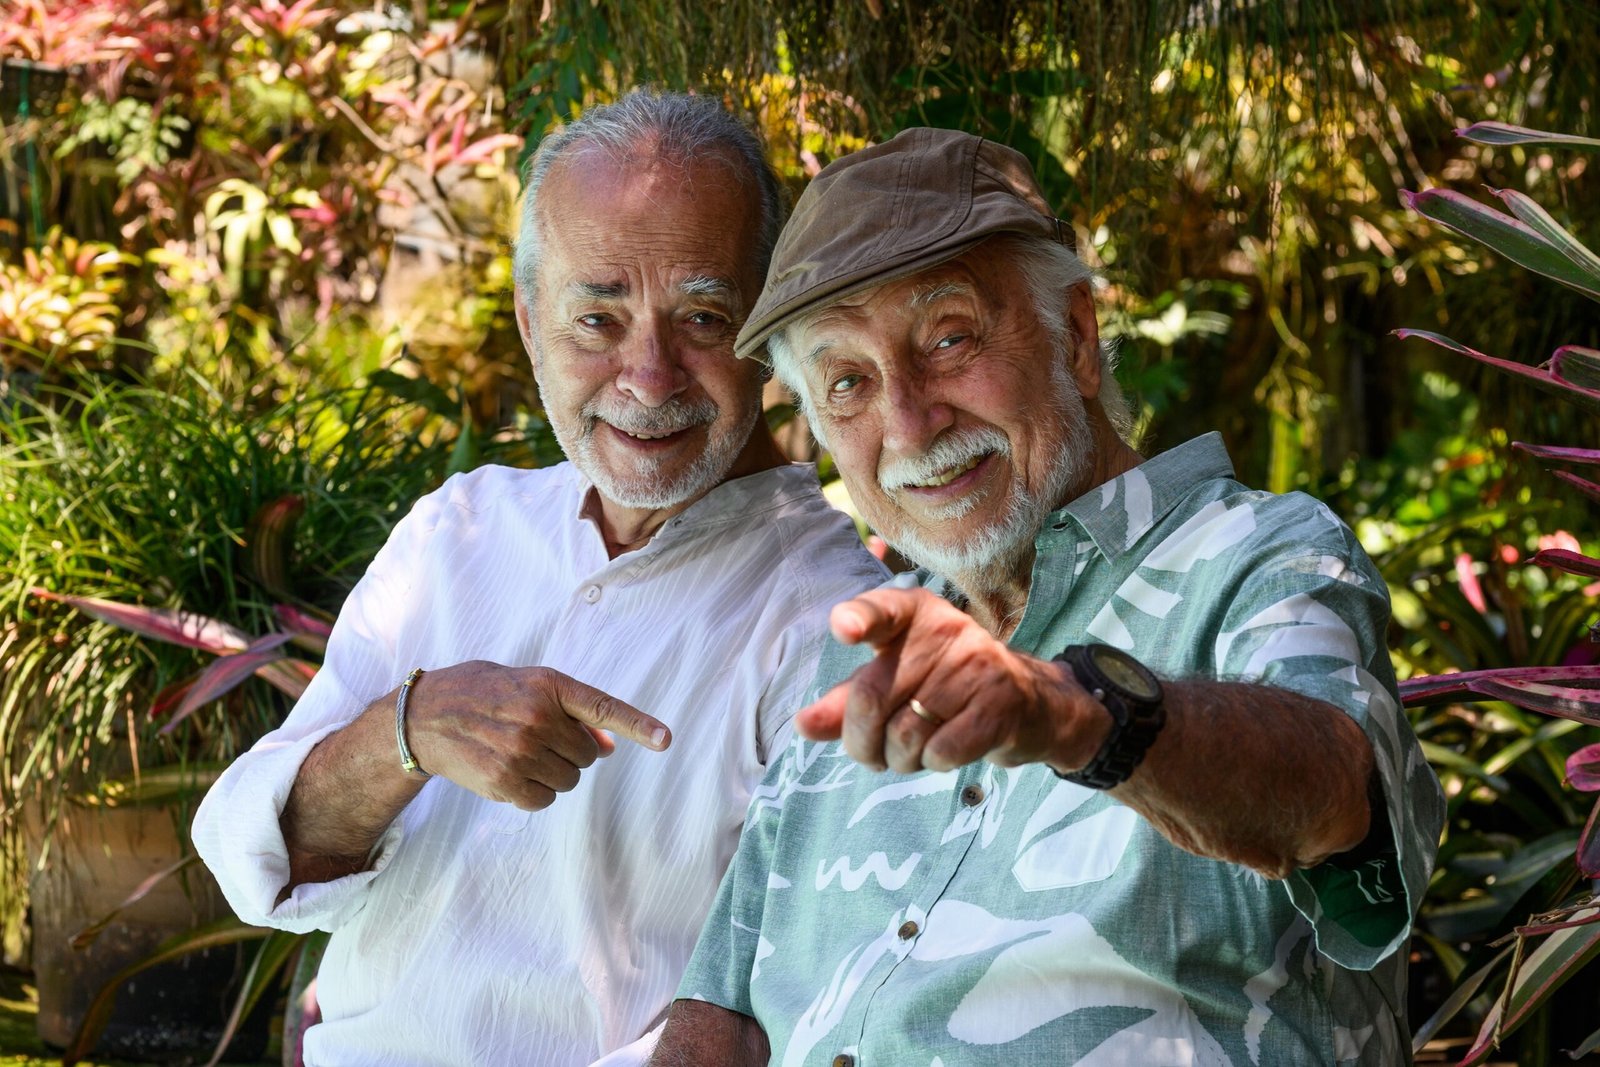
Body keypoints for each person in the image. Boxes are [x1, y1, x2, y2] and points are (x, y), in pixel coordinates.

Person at [651, 127, 1444, 1066]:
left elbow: (1332, 791)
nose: (907, 420)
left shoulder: (1260, 551)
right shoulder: (860, 653)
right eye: (849, 383)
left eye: (948, 338)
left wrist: (1079, 713)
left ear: (1073, 336)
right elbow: (726, 1009)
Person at [191, 90, 888, 1066]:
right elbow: (261, 852)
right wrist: (407, 728)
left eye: (701, 316)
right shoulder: (462, 528)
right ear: (529, 325)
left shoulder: (830, 621)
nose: (647, 376)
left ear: (770, 325)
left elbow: (784, 1013)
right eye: (595, 319)